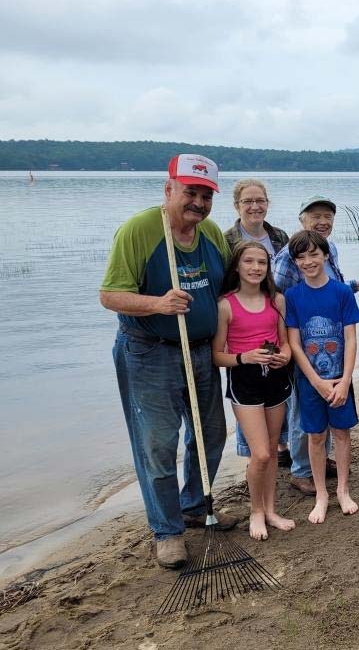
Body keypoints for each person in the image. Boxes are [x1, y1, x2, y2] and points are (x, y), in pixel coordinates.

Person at [99, 154, 237, 569]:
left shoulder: (211, 234)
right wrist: (157, 303)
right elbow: (110, 295)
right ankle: (167, 530)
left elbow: (229, 290)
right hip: (148, 352)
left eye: (205, 195)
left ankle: (195, 506)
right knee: (158, 443)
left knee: (210, 433)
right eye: (189, 192)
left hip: (200, 350)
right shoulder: (140, 230)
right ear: (169, 190)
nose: (197, 202)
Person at [273, 195, 359, 495]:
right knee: (302, 418)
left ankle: (328, 474)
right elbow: (277, 299)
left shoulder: (331, 255)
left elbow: (335, 291)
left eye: (328, 216)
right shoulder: (288, 259)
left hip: (336, 367)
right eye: (315, 215)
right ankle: (302, 470)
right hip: (304, 357)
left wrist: (357, 286)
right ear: (302, 219)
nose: (323, 221)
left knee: (338, 429)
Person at [212, 241, 295, 540]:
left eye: (262, 262)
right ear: (237, 266)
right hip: (244, 382)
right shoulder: (226, 304)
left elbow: (285, 341)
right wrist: (243, 357)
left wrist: (285, 355)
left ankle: (271, 510)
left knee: (272, 451)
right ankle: (255, 512)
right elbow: (216, 355)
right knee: (259, 454)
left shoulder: (277, 300)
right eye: (249, 261)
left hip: (275, 379)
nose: (256, 267)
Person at [285, 230, 359, 523]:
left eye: (314, 254)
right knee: (316, 436)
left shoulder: (341, 292)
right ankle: (321, 493)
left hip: (339, 377)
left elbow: (351, 339)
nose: (308, 261)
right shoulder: (293, 297)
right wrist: (315, 381)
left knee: (342, 434)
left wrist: (344, 380)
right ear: (295, 262)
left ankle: (342, 489)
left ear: (325, 255)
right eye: (301, 257)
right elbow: (294, 343)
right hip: (309, 381)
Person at [223, 178, 293, 468]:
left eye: (260, 200)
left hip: (274, 316)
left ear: (267, 203)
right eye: (247, 201)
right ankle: (254, 454)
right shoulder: (226, 240)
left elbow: (290, 275)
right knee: (247, 393)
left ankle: (281, 447)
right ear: (237, 205)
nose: (254, 206)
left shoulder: (279, 236)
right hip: (241, 325)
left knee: (278, 392)